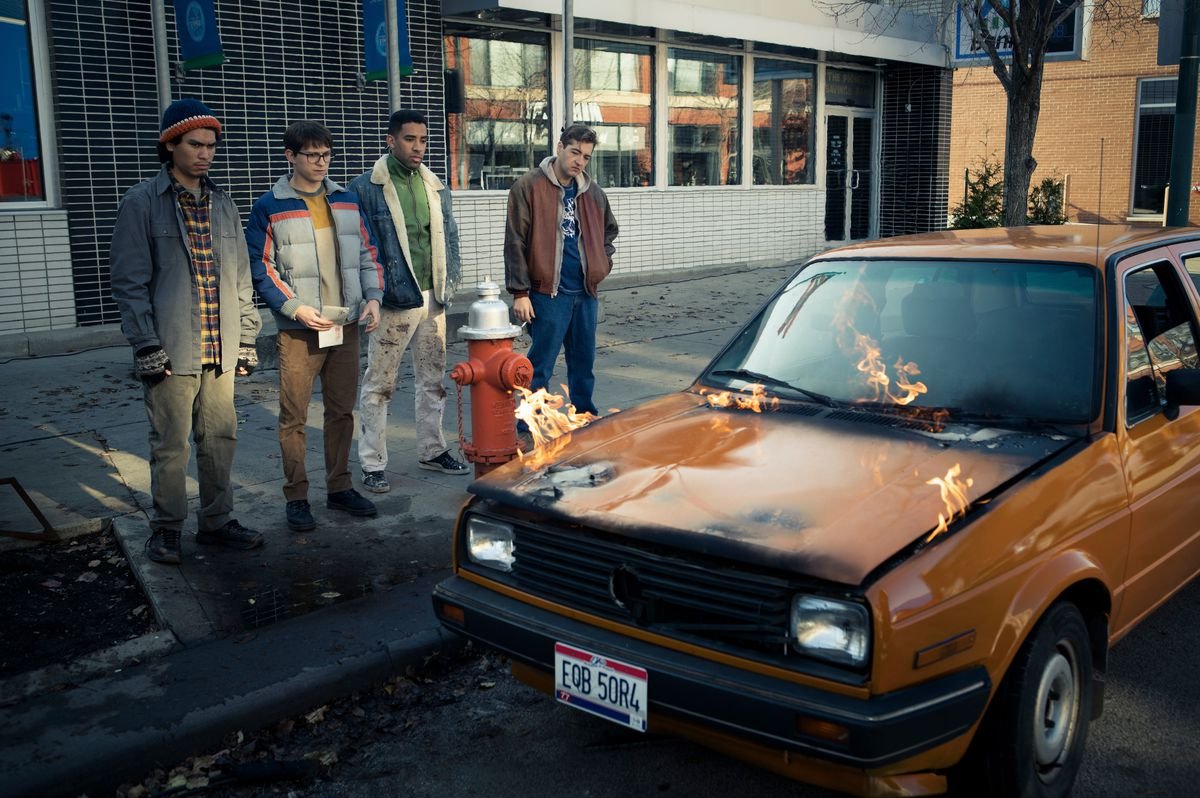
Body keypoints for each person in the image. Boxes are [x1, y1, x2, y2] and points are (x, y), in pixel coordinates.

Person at [110, 97, 264, 565]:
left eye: (211, 146)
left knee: (220, 438)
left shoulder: (224, 204)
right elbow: (129, 282)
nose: (205, 154)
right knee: (170, 444)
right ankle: (167, 529)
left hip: (220, 344)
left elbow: (240, 277)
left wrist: (248, 337)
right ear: (170, 145)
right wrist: (146, 344)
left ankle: (217, 522)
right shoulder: (141, 204)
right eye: (195, 144)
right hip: (172, 349)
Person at [246, 120, 385, 532]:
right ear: (290, 156)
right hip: (299, 330)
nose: (321, 162)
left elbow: (368, 252)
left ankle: (340, 487)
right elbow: (261, 266)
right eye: (312, 155)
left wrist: (374, 297)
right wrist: (293, 308)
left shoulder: (346, 200)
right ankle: (297, 496)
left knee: (342, 412)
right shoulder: (269, 205)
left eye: (326, 155)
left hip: (345, 325)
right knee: (294, 416)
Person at [351, 109, 468, 492]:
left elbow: (450, 235)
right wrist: (370, 296)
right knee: (379, 383)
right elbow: (359, 247)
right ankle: (372, 463)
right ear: (390, 140)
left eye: (422, 139)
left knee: (433, 380)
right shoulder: (366, 187)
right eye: (409, 139)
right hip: (392, 299)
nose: (417, 147)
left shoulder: (434, 184)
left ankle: (432, 450)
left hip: (433, 296)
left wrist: (451, 283)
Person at [504, 124, 619, 418]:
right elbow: (515, 241)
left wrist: (601, 265)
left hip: (585, 293)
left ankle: (585, 417)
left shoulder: (592, 192)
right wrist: (520, 293)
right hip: (548, 294)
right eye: (575, 152)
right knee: (540, 364)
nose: (579, 161)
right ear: (559, 148)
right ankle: (530, 423)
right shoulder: (528, 186)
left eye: (586, 156)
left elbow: (609, 233)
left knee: (583, 364)